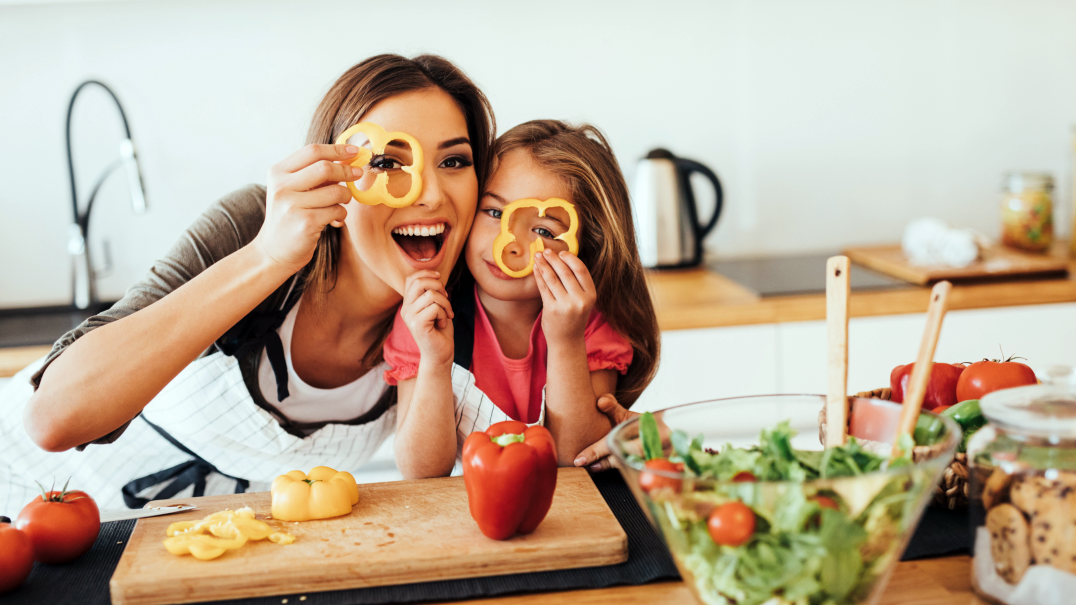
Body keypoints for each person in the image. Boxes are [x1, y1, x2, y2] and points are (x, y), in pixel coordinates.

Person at [0, 54, 496, 516]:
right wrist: (268, 256)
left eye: (454, 162)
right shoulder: (255, 228)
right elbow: (52, 420)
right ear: (336, 179)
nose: (430, 194)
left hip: (192, 547)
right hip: (26, 495)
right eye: (387, 163)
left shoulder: (447, 318)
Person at [384, 120, 660, 478]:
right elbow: (420, 471)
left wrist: (566, 340)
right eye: (495, 213)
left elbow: (577, 459)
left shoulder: (590, 321)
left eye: (543, 230)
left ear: (587, 247)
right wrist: (436, 361)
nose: (509, 244)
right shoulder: (425, 314)